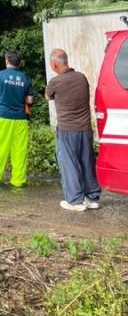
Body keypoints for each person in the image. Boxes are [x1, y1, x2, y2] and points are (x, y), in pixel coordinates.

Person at [46, 48, 101, 211]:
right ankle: (92, 198)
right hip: (85, 128)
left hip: (67, 129)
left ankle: (75, 200)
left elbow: (48, 96)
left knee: (69, 163)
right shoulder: (81, 78)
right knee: (87, 162)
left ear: (54, 64)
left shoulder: (55, 82)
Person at [0, 50, 33, 188]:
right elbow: (29, 100)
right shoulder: (25, 78)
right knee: (19, 150)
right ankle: (18, 180)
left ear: (7, 61)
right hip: (20, 119)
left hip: (2, 117)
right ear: (19, 62)